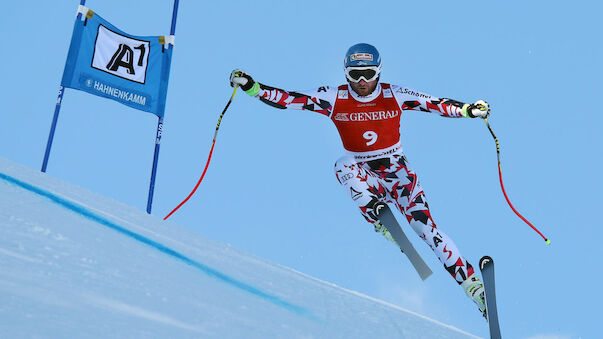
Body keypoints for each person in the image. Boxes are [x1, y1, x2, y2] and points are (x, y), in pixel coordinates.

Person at [229, 43, 490, 317]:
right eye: (355, 75)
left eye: (367, 74)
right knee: (343, 165)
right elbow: (290, 99)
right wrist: (253, 88)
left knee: (427, 231)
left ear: (378, 72)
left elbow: (435, 104)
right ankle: (380, 220)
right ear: (345, 74)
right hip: (363, 170)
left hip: (398, 174)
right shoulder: (333, 97)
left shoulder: (395, 94)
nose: (362, 82)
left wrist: (469, 110)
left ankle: (473, 288)